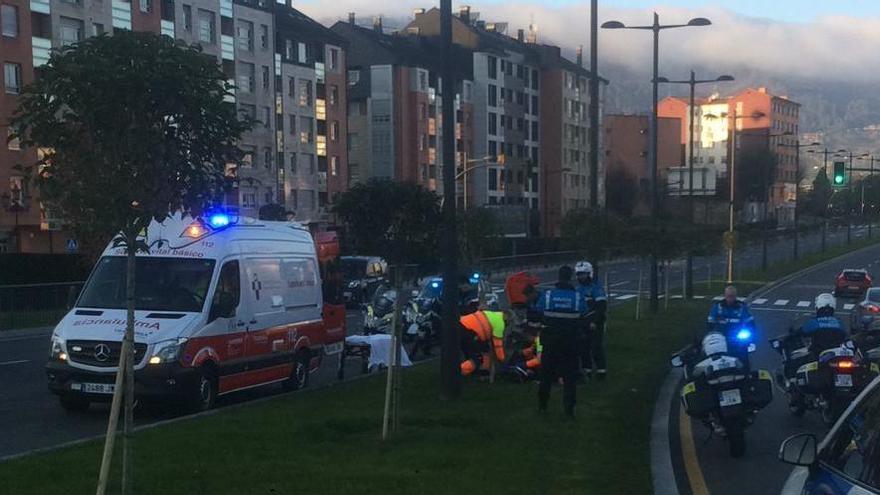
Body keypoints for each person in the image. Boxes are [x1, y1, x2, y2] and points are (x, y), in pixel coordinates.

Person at [534, 265, 583, 417]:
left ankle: (543, 405)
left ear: (558, 277)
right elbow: (584, 312)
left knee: (546, 375)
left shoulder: (548, 295)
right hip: (570, 343)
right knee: (569, 377)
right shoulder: (577, 297)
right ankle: (569, 409)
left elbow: (538, 310)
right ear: (571, 277)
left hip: (550, 342)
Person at [575, 261, 608, 380]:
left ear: (589, 274)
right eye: (578, 274)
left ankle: (601, 371)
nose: (580, 277)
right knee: (583, 348)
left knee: (596, 348)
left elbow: (602, 306)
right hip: (582, 322)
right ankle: (586, 371)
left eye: (583, 274)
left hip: (595, 322)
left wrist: (595, 321)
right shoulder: (578, 289)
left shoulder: (596, 288)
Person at [459, 309, 508, 376]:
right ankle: (457, 372)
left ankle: (482, 372)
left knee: (474, 352)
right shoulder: (500, 323)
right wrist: (502, 359)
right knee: (478, 358)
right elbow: (497, 345)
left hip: (461, 325)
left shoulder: (492, 314)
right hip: (469, 332)